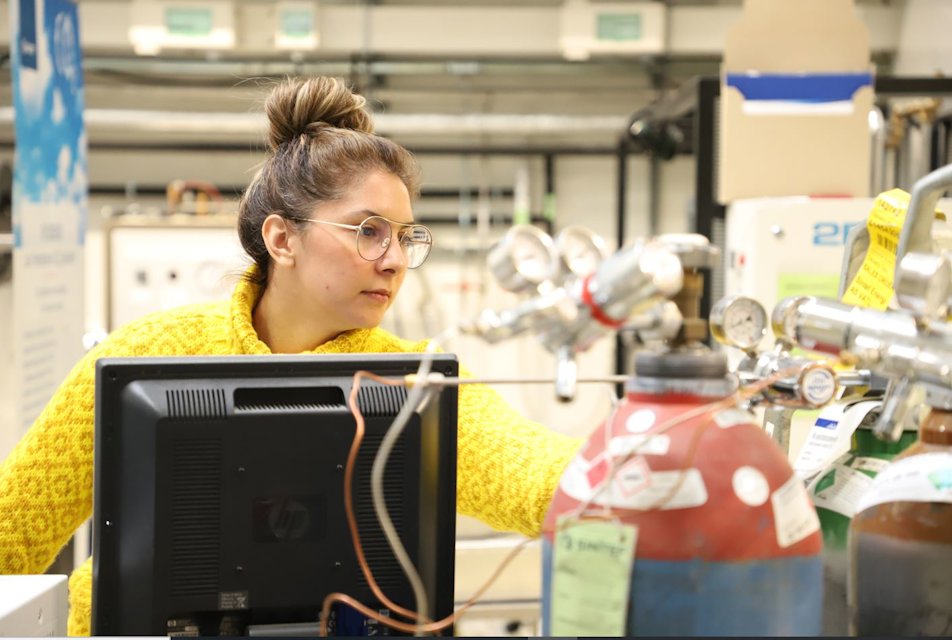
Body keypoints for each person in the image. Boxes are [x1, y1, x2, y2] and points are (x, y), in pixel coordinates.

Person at [0, 77, 582, 635]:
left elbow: (534, 475)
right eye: (369, 231)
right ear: (283, 239)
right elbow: (12, 531)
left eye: (406, 237)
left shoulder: (415, 384)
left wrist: (638, 460)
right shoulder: (147, 355)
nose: (395, 260)